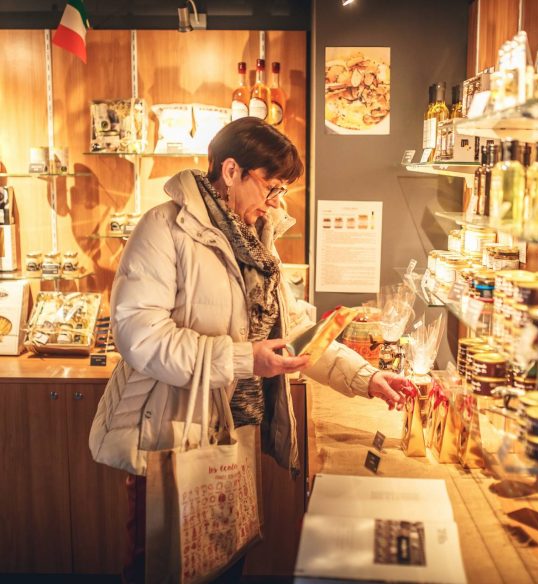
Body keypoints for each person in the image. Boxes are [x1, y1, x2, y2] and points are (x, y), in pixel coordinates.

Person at [89, 117, 409, 583]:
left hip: (235, 430)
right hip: (171, 433)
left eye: (281, 190)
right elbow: (140, 336)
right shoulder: (164, 227)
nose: (274, 201)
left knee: (222, 561)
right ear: (232, 170)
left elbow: (294, 329)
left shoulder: (257, 239)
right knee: (161, 564)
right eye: (271, 186)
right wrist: (244, 359)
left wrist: (365, 376)